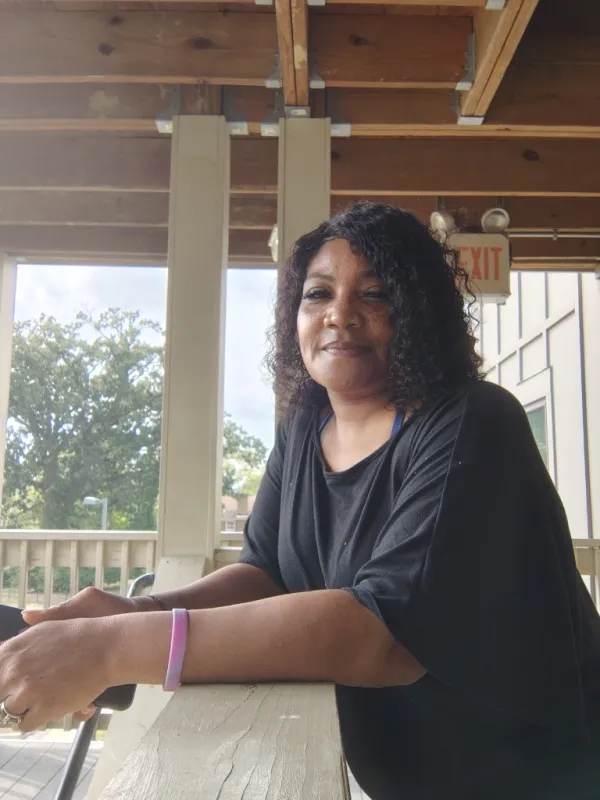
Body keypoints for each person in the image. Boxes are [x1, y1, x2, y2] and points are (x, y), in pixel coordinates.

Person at [1, 202, 599, 799]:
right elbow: (267, 574)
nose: (340, 314)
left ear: (420, 311)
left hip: (538, 777)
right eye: (318, 294)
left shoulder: (472, 421)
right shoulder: (304, 424)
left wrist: (111, 648)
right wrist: (135, 611)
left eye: (376, 294)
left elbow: (381, 630)